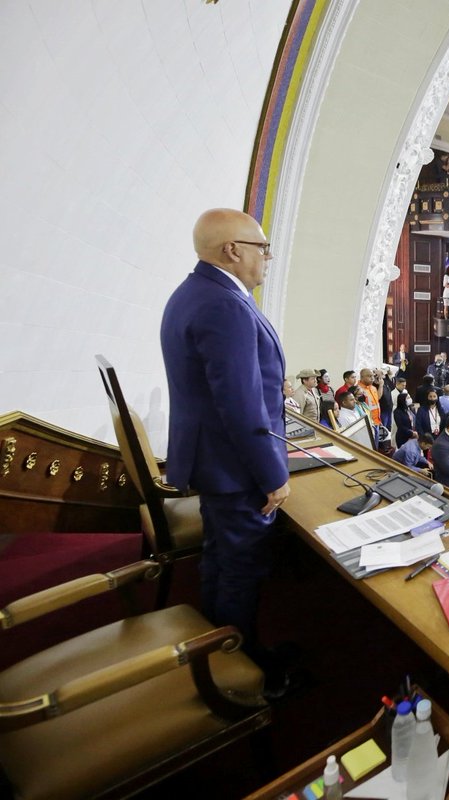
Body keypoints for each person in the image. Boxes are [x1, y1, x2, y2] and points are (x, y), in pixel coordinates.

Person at [160, 208, 291, 694]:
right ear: (232, 251)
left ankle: (215, 648)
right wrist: (273, 475)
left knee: (219, 559)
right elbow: (239, 405)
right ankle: (242, 672)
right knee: (241, 567)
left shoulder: (195, 292)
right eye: (262, 247)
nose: (268, 257)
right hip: (235, 467)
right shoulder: (225, 305)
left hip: (213, 459)